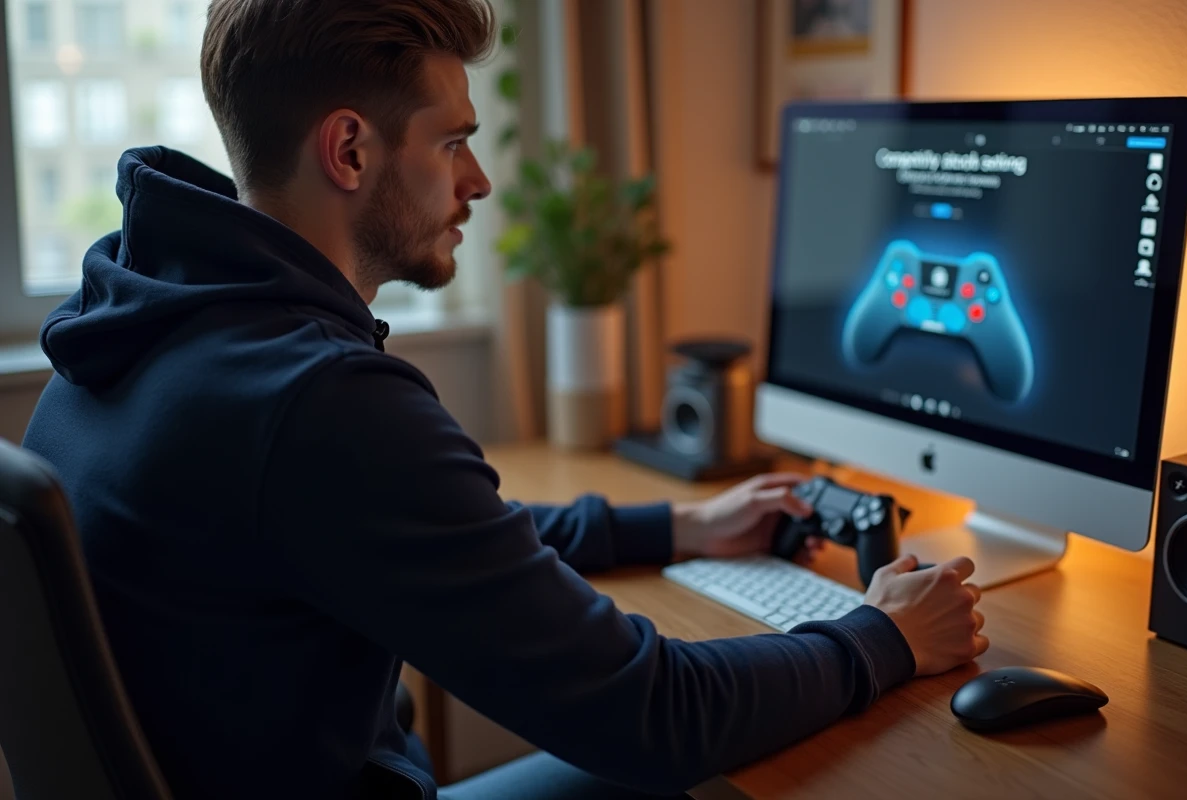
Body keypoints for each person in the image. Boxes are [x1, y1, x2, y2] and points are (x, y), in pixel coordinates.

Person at [20, 1, 988, 798]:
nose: (478, 181)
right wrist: (886, 637)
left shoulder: (143, 318)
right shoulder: (319, 401)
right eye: (452, 143)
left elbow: (426, 531)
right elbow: (653, 714)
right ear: (350, 151)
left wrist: (678, 526)